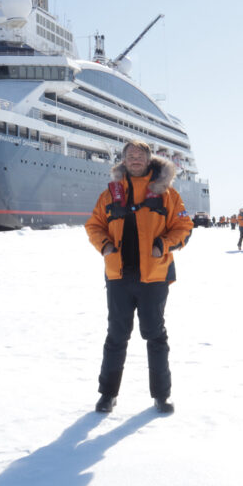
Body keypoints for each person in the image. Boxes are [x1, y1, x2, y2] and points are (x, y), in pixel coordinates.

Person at [85, 140, 193, 415]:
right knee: (116, 336)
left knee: (155, 335)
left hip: (154, 276)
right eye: (130, 155)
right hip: (119, 276)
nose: (134, 159)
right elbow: (94, 225)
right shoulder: (110, 194)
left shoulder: (167, 193)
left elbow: (183, 227)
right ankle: (107, 394)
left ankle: (161, 396)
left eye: (139, 155)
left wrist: (163, 245)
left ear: (148, 159)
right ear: (123, 161)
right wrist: (105, 246)